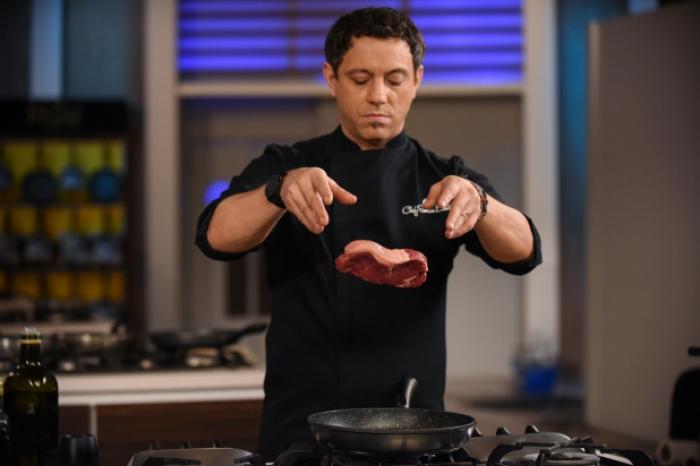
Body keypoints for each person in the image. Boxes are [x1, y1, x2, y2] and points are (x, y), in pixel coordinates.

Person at [195, 7, 542, 460]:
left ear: (417, 80)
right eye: (360, 79)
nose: (378, 95)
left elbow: (524, 252)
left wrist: (482, 203)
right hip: (301, 427)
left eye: (395, 79)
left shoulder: (442, 176)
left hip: (414, 426)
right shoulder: (288, 164)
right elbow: (215, 236)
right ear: (331, 78)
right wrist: (277, 191)